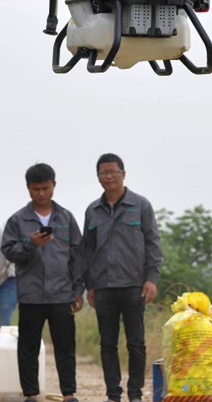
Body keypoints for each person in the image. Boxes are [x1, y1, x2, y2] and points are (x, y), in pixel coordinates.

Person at [82, 153, 163, 402]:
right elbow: (86, 251)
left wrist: (151, 278)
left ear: (123, 175)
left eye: (113, 172)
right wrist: (89, 285)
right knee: (107, 344)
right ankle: (113, 394)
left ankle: (135, 394)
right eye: (103, 173)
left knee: (136, 343)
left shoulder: (140, 205)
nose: (108, 177)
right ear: (98, 178)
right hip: (104, 287)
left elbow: (153, 243)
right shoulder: (93, 211)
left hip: (133, 285)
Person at [1, 163, 84, 402]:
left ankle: (69, 394)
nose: (41, 193)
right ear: (28, 188)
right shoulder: (18, 220)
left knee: (65, 346)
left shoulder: (66, 218)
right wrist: (31, 244)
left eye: (45, 188)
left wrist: (78, 290)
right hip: (31, 295)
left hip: (62, 294)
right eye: (36, 188)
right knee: (28, 348)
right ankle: (31, 395)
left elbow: (77, 256)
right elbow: (8, 251)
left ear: (54, 186)